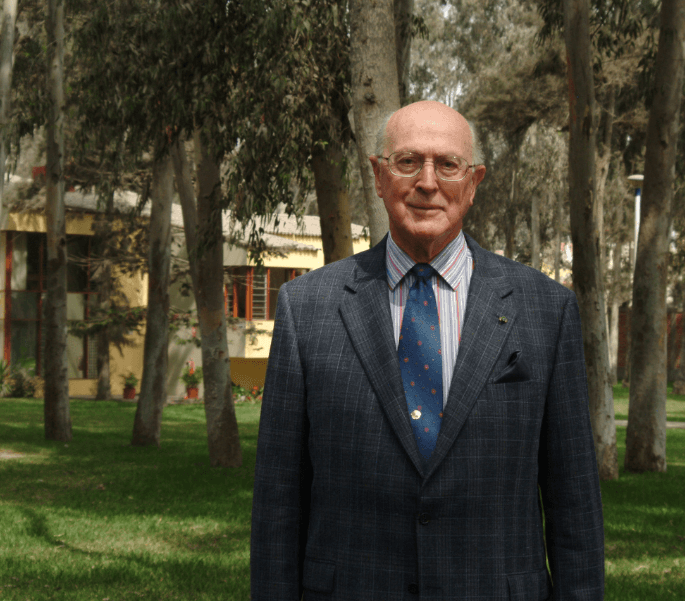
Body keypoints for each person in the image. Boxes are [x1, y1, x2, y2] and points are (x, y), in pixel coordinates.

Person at [250, 100, 605, 600]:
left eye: (448, 165)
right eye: (408, 162)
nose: (427, 182)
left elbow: (575, 506)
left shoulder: (546, 310)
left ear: (474, 182)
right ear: (379, 176)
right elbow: (277, 504)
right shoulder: (306, 309)